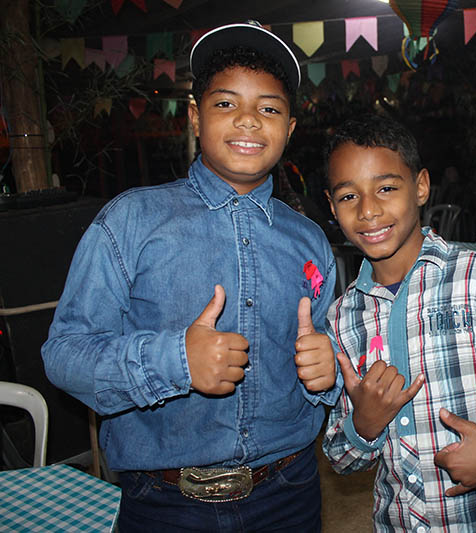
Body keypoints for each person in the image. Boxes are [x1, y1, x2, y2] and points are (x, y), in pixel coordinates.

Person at [41, 21, 340, 532]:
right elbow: (64, 355)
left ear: (290, 129)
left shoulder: (309, 240)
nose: (249, 120)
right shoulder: (131, 220)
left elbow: (329, 347)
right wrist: (177, 360)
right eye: (226, 103)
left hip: (290, 492)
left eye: (269, 109)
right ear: (196, 117)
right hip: (166, 504)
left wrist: (328, 369)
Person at [321, 114, 476, 531]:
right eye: (349, 196)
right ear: (332, 206)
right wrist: (363, 424)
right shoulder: (342, 317)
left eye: (386, 188)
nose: (368, 210)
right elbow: (339, 456)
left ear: (421, 186)